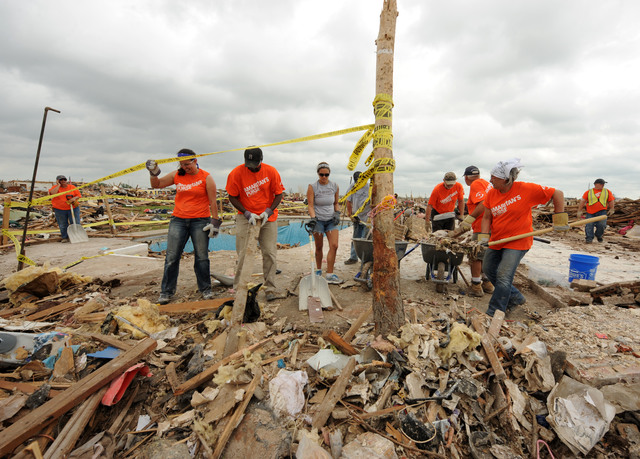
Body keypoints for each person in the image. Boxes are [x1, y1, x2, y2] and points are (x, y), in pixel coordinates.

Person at [480, 159, 567, 316]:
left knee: (503, 275)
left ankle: (494, 311)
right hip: (498, 239)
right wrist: (484, 236)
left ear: (506, 179)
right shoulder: (492, 193)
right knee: (488, 269)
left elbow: (557, 193)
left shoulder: (525, 189)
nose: (490, 180)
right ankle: (515, 296)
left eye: (493, 177)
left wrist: (560, 217)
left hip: (518, 241)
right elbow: (486, 217)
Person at [146, 149, 221, 305]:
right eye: (182, 164)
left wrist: (215, 222)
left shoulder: (206, 177)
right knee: (172, 257)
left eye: (187, 164)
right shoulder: (177, 175)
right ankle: (166, 292)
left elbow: (213, 201)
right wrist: (153, 173)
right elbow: (157, 185)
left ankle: (205, 289)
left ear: (195, 161)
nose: (185, 167)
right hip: (178, 220)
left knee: (201, 256)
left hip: (200, 220)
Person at [226, 147, 284, 300]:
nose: (251, 167)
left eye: (254, 163)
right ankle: (239, 288)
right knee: (244, 253)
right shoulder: (236, 173)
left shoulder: (271, 172)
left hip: (267, 218)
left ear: (261, 160)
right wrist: (246, 212)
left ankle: (270, 288)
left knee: (270, 253)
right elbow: (232, 197)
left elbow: (279, 194)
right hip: (246, 217)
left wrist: (269, 211)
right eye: (248, 163)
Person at [458, 166, 494, 297]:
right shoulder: (486, 183)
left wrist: (470, 217)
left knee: (475, 256)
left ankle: (476, 286)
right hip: (492, 227)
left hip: (481, 227)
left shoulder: (476, 184)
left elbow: (483, 203)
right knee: (484, 255)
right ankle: (487, 283)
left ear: (466, 178)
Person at [307, 162, 343, 284]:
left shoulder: (334, 186)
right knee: (319, 247)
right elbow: (310, 205)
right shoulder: (312, 187)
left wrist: (337, 213)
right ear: (318, 174)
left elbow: (336, 203)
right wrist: (313, 218)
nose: (324, 177)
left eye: (326, 174)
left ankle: (330, 274)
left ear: (329, 174)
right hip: (318, 221)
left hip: (331, 220)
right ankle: (318, 270)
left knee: (334, 245)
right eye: (321, 174)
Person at [577, 178, 615, 243]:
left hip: (602, 211)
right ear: (595, 184)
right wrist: (579, 210)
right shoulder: (588, 192)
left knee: (602, 225)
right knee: (589, 225)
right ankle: (589, 238)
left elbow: (611, 200)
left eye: (603, 184)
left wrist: (612, 209)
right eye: (601, 184)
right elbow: (583, 201)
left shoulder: (607, 191)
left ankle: (599, 235)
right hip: (590, 212)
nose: (603, 185)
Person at [344, 171, 370, 265]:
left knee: (365, 238)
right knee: (356, 237)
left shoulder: (369, 187)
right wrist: (350, 213)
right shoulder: (352, 186)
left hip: (367, 216)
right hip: (357, 216)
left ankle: (365, 259)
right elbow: (348, 200)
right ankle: (353, 257)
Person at [48, 175, 81, 243]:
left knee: (75, 222)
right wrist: (58, 185)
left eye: (64, 180)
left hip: (73, 208)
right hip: (60, 209)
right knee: (62, 224)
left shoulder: (72, 187)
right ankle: (65, 237)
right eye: (61, 180)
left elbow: (78, 195)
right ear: (58, 181)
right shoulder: (55, 188)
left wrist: (74, 198)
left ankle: (77, 236)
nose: (63, 181)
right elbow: (52, 193)